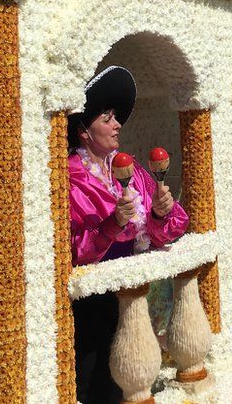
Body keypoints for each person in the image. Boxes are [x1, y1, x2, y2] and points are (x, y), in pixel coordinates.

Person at [67, 66, 190, 404]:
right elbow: (69, 249)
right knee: (100, 384)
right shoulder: (70, 178)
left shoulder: (132, 171)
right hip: (94, 307)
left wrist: (159, 212)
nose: (118, 124)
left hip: (135, 297)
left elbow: (168, 230)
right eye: (107, 119)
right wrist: (112, 224)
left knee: (137, 379)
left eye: (116, 118)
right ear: (83, 132)